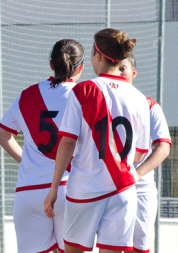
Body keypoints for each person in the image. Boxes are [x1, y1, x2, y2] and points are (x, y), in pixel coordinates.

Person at [44, 28, 150, 253]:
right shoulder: (140, 98)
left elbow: (67, 143)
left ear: (97, 55)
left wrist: (54, 188)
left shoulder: (84, 90)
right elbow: (140, 153)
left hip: (86, 189)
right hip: (123, 190)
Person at [0, 39, 84, 253]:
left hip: (29, 190)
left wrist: (28, 161)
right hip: (68, 188)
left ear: (51, 64)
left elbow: (1, 134)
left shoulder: (28, 95)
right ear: (81, 67)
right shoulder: (84, 95)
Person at [119, 54, 171, 253]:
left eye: (123, 68)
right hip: (108, 186)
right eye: (115, 67)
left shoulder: (149, 105)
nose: (119, 72)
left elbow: (163, 147)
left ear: (134, 72)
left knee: (139, 248)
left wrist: (137, 174)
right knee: (109, 246)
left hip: (140, 188)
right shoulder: (102, 103)